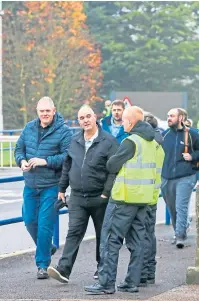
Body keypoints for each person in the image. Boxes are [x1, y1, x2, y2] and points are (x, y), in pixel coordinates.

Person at [85, 106, 157, 294]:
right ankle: (131, 282)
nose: (122, 123)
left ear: (131, 122)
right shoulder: (151, 142)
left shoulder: (131, 141)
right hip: (142, 199)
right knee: (137, 242)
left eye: (124, 120)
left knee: (110, 240)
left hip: (124, 198)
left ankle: (106, 283)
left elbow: (112, 164)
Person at [47, 105, 118, 283]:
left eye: (88, 116)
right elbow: (67, 166)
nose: (85, 120)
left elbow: (114, 171)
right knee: (73, 232)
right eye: (81, 118)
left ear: (95, 117)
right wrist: (62, 189)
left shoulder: (108, 141)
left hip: (99, 197)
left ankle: (102, 267)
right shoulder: (74, 140)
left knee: (103, 234)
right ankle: (64, 269)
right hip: (78, 196)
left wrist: (106, 193)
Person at [14, 96, 72, 279]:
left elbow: (67, 157)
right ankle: (48, 247)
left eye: (48, 111)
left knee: (45, 225)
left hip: (51, 185)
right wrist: (21, 161)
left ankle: (42, 265)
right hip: (30, 184)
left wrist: (45, 161)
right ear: (37, 112)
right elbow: (18, 149)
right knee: (30, 220)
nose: (45, 114)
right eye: (42, 111)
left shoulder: (64, 131)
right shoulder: (29, 128)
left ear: (54, 111)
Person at [161, 108, 199, 249]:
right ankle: (181, 228)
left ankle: (180, 235)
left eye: (172, 115)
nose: (169, 118)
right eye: (168, 115)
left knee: (180, 206)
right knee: (172, 208)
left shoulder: (192, 134)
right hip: (166, 177)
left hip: (186, 176)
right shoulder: (164, 135)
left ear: (181, 118)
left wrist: (193, 156)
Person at [139, 113, 165, 286]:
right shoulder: (159, 145)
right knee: (149, 234)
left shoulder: (147, 145)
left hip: (142, 195)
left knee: (142, 235)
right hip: (153, 194)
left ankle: (143, 272)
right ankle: (149, 271)